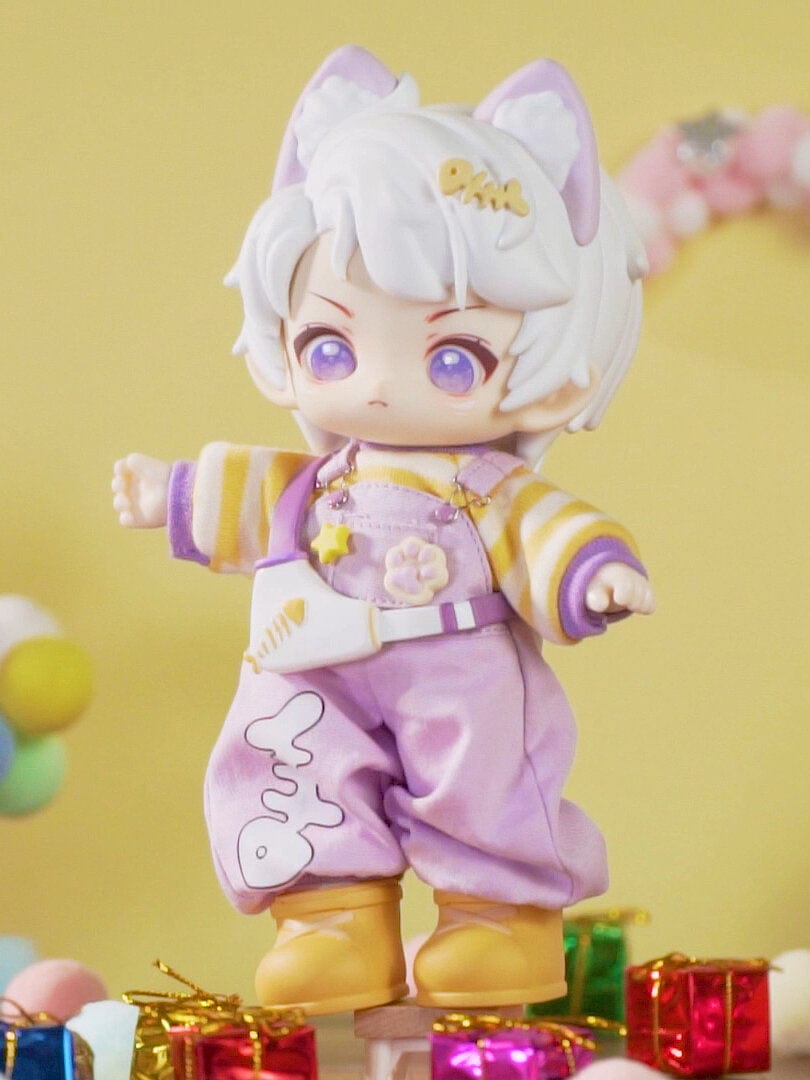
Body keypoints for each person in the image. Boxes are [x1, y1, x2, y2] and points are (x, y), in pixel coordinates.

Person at [112, 45, 654, 1016]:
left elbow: (547, 527)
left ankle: (498, 921)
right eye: (331, 345)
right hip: (312, 663)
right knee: (294, 770)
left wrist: (593, 571)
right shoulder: (320, 481)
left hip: (458, 668)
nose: (375, 386)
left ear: (550, 363)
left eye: (451, 359)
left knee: (484, 780)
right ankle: (330, 922)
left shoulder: (487, 486)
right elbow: (260, 493)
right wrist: (175, 493)